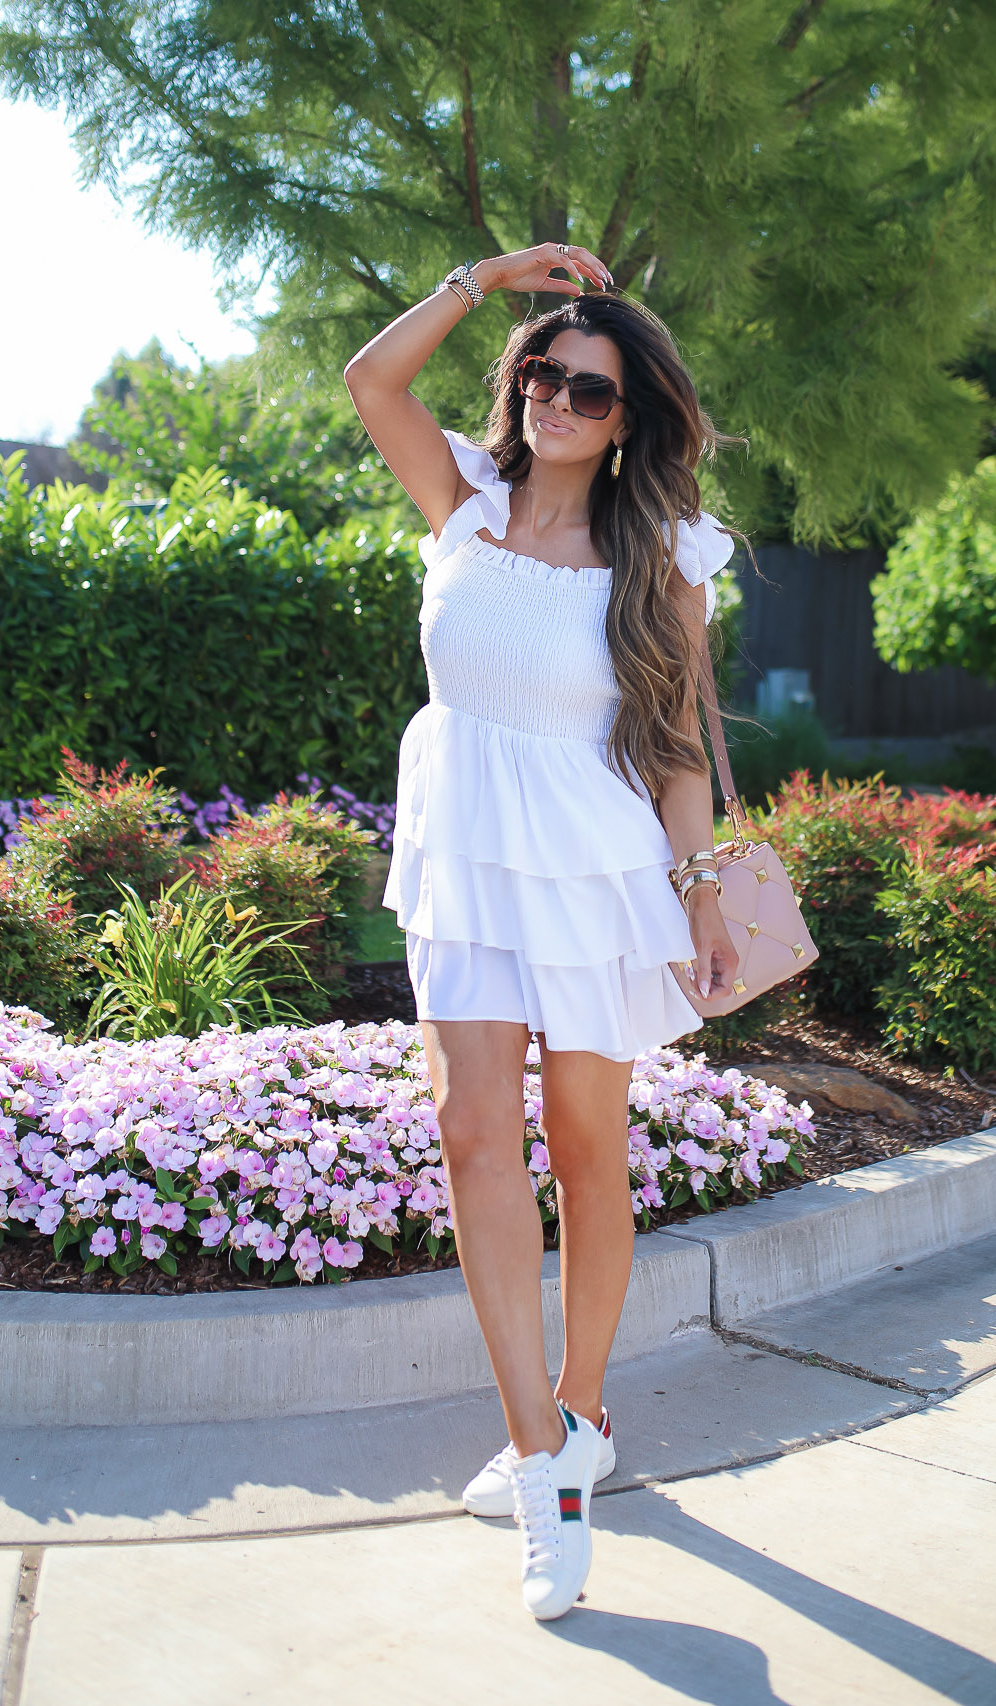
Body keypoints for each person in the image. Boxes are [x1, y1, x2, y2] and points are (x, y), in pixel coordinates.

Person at [343, 242, 740, 1621]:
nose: (560, 399)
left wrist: (705, 893)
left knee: (584, 1145)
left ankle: (581, 1412)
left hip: (596, 864)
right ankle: (542, 1471)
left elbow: (680, 747)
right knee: (469, 1132)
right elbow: (366, 376)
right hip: (463, 847)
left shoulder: (662, 555)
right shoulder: (457, 492)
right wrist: (486, 277)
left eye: (590, 387)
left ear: (628, 416)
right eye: (545, 375)